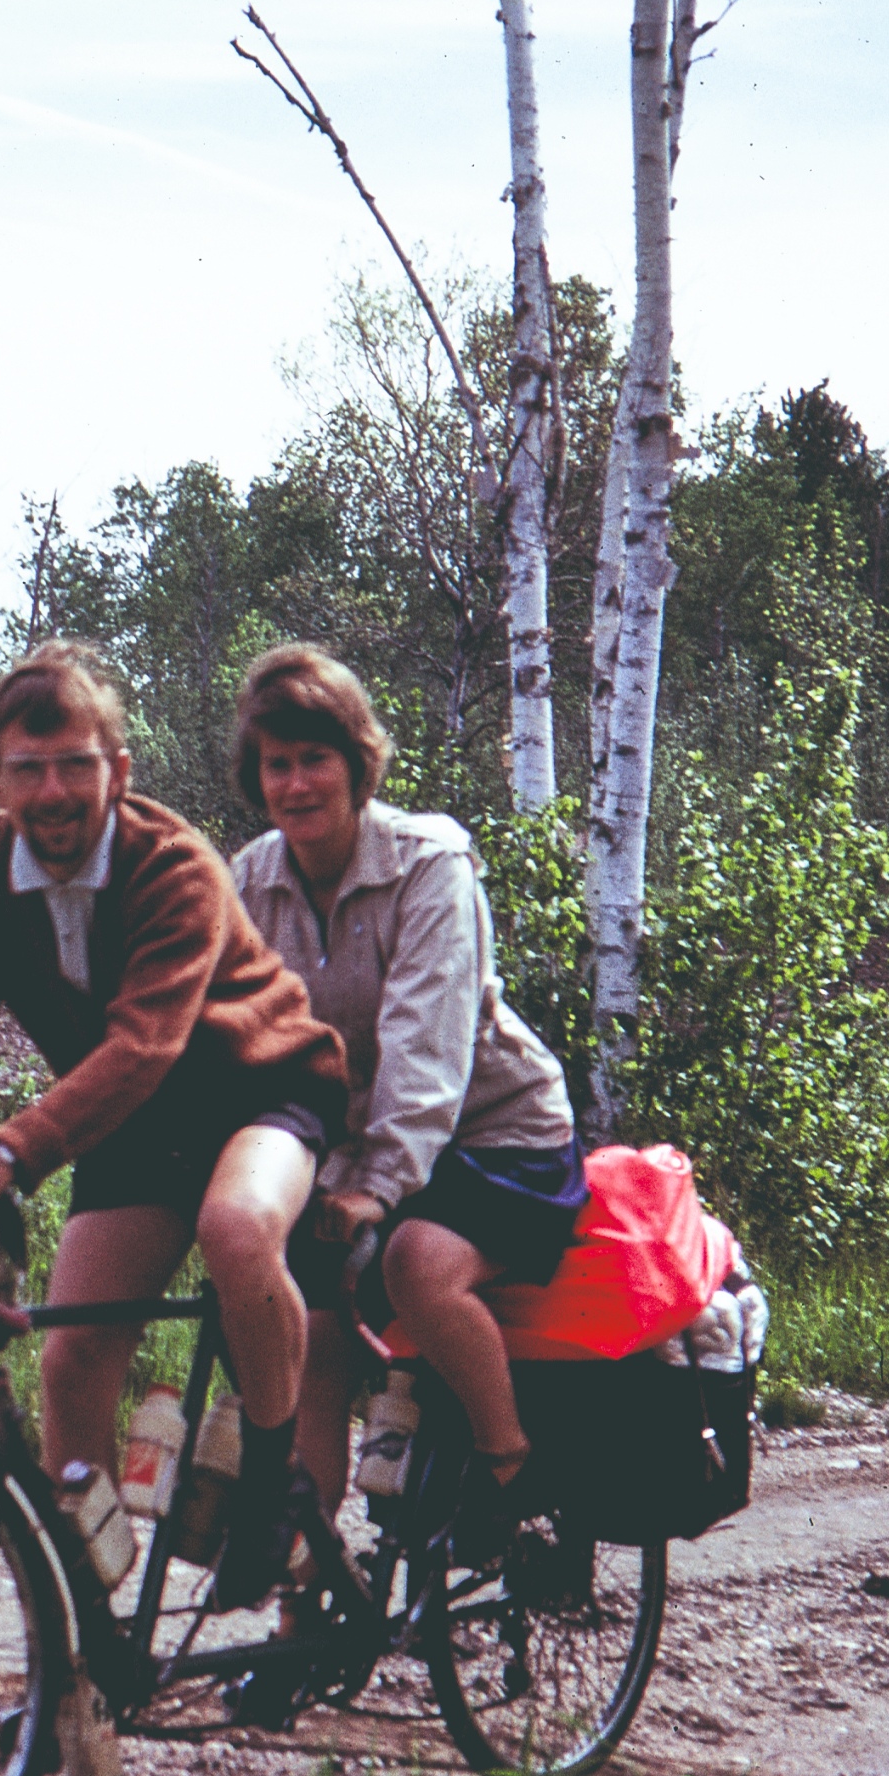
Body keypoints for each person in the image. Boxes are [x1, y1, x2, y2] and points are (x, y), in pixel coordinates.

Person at [0, 642, 349, 1610]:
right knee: (68, 1362)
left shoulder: (170, 864)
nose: (53, 792)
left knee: (233, 1226)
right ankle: (78, 1642)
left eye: (75, 765)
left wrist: (1, 1160)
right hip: (136, 1130)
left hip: (259, 1089)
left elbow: (142, 1044)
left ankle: (273, 1483)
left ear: (118, 771)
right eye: (27, 769)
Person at [225, 644, 582, 1586]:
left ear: (357, 762)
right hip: (349, 1155)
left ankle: (512, 1476)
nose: (296, 783)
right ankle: (308, 1617)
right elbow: (225, 1039)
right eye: (276, 763)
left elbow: (429, 1044)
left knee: (419, 1265)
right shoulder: (249, 882)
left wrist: (377, 1186)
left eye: (315, 759)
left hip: (495, 1133)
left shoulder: (431, 863)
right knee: (310, 1348)